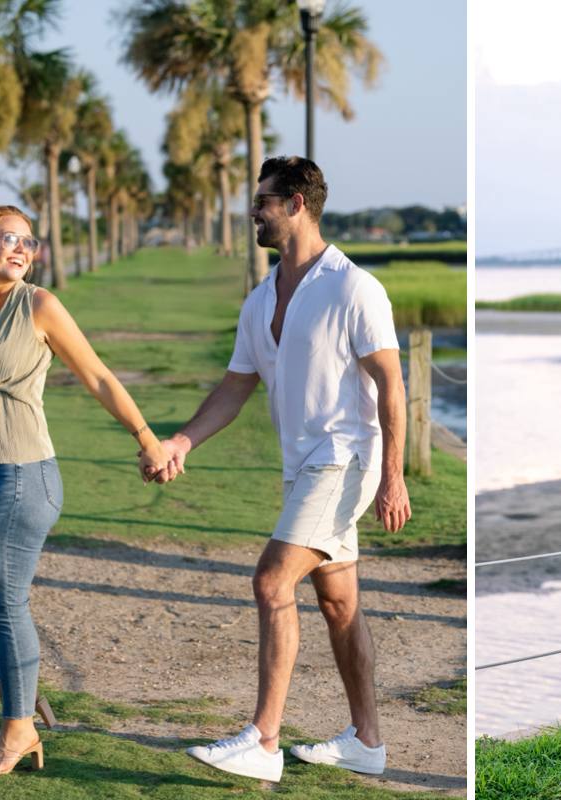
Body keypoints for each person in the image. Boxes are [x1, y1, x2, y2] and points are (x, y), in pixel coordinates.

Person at [160, 156, 410, 784]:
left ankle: (264, 742)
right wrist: (184, 441)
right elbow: (235, 386)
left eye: (264, 200)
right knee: (339, 603)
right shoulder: (262, 297)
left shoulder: (353, 287)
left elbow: (391, 386)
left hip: (344, 459)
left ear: (297, 203)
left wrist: (395, 476)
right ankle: (367, 742)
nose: (254, 211)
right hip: (301, 467)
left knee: (273, 582)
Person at [0, 205, 168, 776]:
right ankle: (20, 693)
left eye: (29, 241)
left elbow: (98, 374)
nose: (21, 249)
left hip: (23, 474)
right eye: (9, 238)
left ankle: (17, 728)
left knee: (6, 603)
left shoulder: (40, 305)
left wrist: (147, 438)